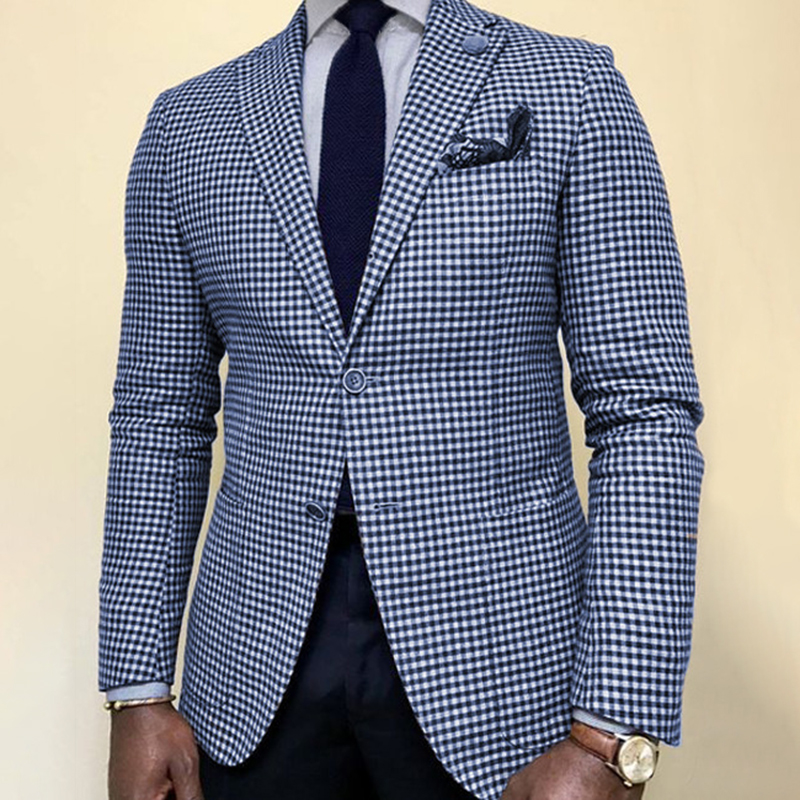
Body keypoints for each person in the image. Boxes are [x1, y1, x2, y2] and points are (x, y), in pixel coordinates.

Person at [98, 0, 705, 798]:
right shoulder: (189, 122)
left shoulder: (571, 86)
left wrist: (611, 733)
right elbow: (158, 415)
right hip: (252, 671)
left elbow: (645, 411)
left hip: (502, 682)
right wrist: (137, 689)